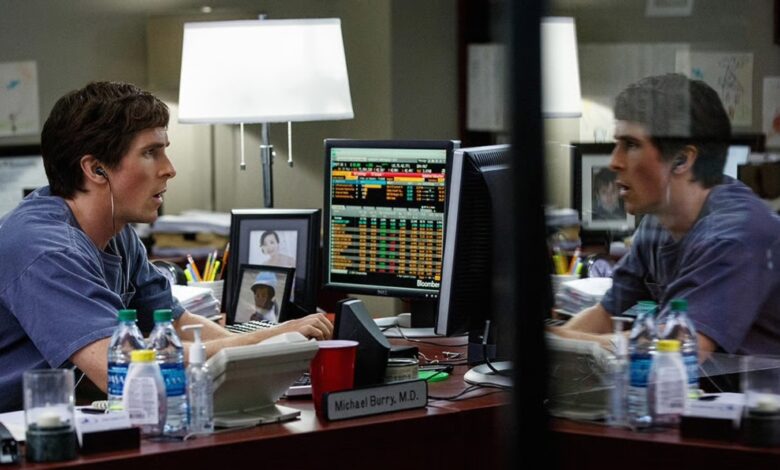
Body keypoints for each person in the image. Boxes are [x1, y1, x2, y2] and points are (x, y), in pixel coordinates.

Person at [0, 82, 332, 412]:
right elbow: (124, 371)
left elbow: (178, 326)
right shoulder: (45, 249)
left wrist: (265, 347)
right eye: (150, 152)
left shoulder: (117, 233)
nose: (169, 169)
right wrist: (273, 338)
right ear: (95, 169)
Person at [550, 73, 780, 359]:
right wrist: (558, 348)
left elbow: (677, 350)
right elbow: (607, 314)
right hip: (696, 396)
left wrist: (557, 339)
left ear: (682, 159)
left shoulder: (736, 234)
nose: (614, 161)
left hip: (757, 399)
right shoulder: (657, 223)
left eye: (631, 145)